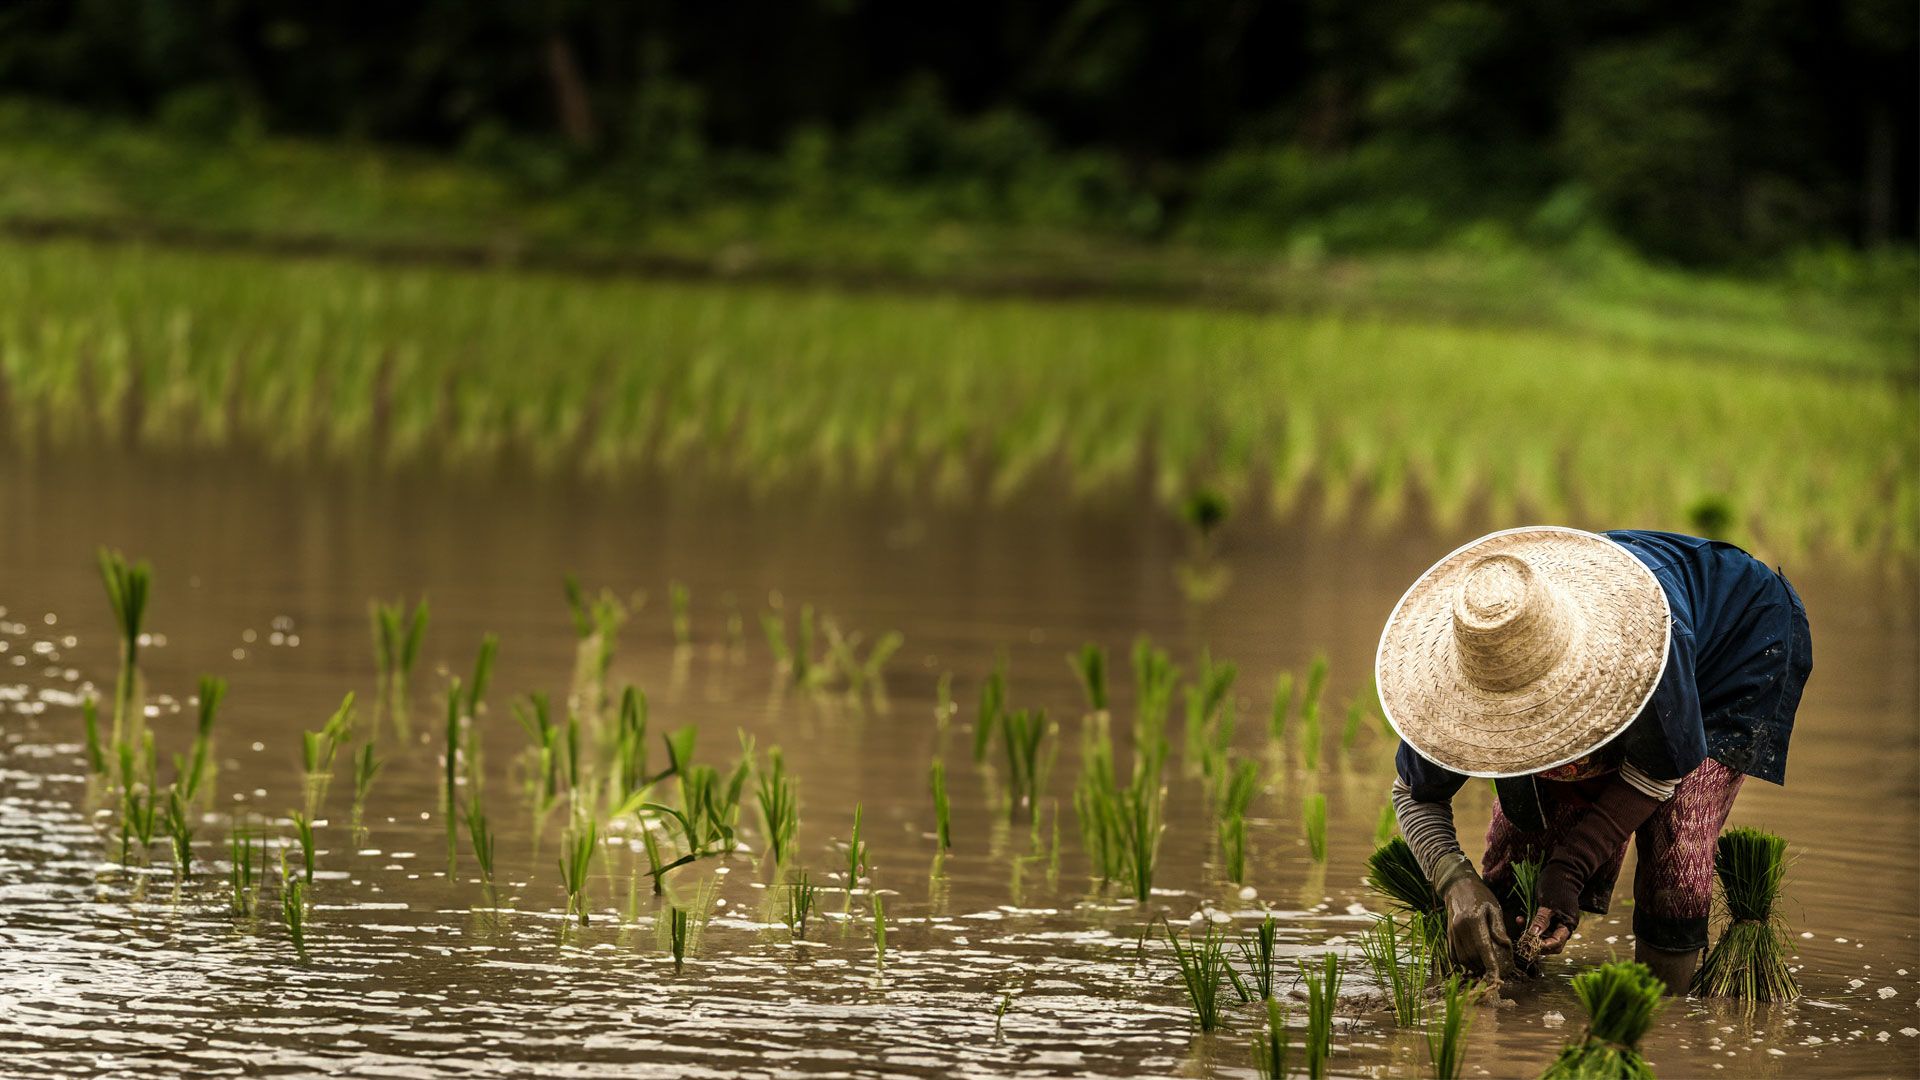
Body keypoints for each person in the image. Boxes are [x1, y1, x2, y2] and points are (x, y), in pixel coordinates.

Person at [1376, 527, 1812, 990]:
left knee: (1678, 840)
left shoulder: (1641, 653)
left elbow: (1661, 770)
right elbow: (1413, 792)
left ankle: (1659, 1015)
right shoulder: (1463, 674)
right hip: (1607, 637)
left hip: (1736, 642)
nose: (1525, 725)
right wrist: (1455, 883)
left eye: (1537, 709)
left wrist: (1572, 866)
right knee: (1522, 843)